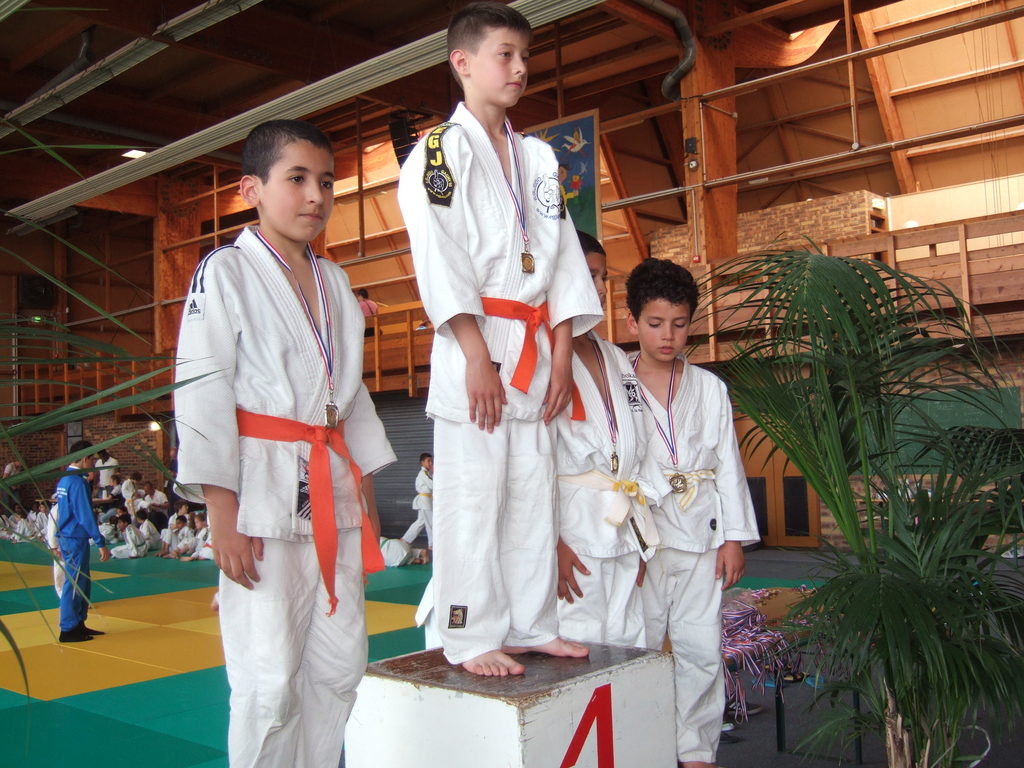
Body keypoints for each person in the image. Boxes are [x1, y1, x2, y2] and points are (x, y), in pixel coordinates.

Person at [174, 119, 395, 767]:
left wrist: (367, 501)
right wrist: (221, 514)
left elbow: (350, 400)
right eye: (296, 179)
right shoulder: (226, 271)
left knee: (340, 668)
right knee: (269, 682)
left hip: (334, 495)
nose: (315, 195)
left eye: (325, 181)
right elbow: (202, 390)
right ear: (252, 190)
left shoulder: (336, 283)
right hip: (260, 499)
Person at [397, 1, 603, 676]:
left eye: (525, 56)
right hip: (477, 343)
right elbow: (439, 255)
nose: (519, 68)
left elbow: (563, 258)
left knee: (531, 496)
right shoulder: (439, 151)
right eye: (504, 54)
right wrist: (475, 355)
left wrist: (564, 352)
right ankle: (468, 632)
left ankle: (532, 623)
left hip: (537, 346)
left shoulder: (538, 157)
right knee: (473, 500)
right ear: (462, 62)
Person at [626, 258, 760, 768]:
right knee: (636, 645)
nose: (668, 336)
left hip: (702, 534)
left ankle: (697, 750)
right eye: (655, 323)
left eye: (679, 324)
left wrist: (733, 538)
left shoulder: (708, 386)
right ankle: (640, 747)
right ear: (633, 321)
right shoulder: (617, 384)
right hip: (641, 534)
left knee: (700, 649)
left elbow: (728, 461)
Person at [554, 232, 668, 647]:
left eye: (603, 277)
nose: (601, 288)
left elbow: (639, 439)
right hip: (574, 528)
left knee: (630, 642)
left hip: (623, 525)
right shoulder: (543, 355)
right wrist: (550, 543)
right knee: (577, 642)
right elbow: (531, 460)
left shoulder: (616, 357)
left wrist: (640, 535)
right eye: (590, 275)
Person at [55, 439, 111, 643]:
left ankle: (78, 623)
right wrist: (100, 541)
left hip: (70, 535)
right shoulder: (77, 482)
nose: (93, 464)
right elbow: (84, 514)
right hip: (74, 537)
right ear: (85, 458)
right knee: (75, 582)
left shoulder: (66, 479)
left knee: (82, 581)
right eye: (92, 460)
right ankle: (68, 628)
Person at [400, 452, 434, 555]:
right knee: (430, 522)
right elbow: (432, 485)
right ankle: (432, 544)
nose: (431, 463)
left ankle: (405, 539)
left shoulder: (428, 473)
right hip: (425, 501)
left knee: (421, 521)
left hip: (426, 500)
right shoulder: (423, 473)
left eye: (431, 461)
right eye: (428, 461)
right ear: (422, 462)